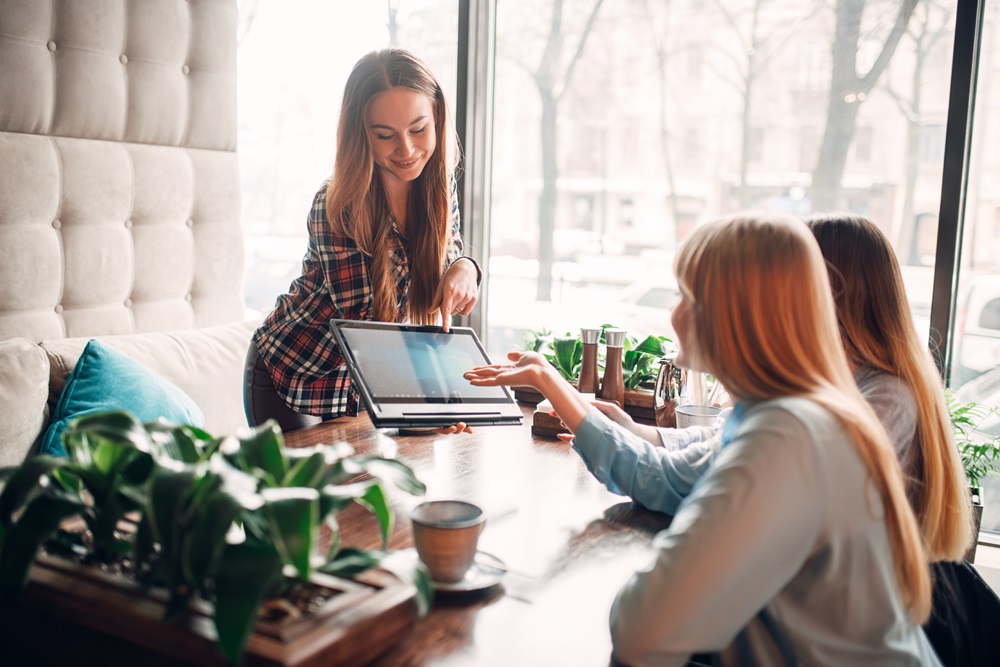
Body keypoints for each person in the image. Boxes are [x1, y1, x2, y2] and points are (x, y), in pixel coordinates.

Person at [465, 214, 939, 666]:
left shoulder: (787, 436)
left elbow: (641, 629)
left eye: (688, 296)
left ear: (741, 315)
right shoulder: (778, 415)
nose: (672, 315)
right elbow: (671, 477)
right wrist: (560, 388)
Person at [245, 48, 481, 433]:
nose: (406, 150)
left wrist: (464, 267)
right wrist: (426, 409)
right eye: (384, 135)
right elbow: (366, 329)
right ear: (361, 133)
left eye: (418, 129)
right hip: (291, 378)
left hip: (357, 384)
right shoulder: (337, 205)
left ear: (437, 117)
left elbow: (445, 251)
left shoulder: (439, 189)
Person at [807, 213, 998, 667]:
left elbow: (808, 493)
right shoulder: (842, 379)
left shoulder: (889, 394)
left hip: (897, 612)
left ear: (831, 292)